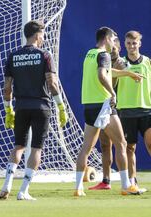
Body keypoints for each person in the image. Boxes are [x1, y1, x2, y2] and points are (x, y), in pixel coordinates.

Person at [0, 20, 68, 201]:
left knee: (18, 146)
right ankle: (23, 191)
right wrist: (61, 106)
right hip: (41, 106)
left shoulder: (13, 56)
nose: (44, 38)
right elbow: (52, 83)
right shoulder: (44, 55)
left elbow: (7, 88)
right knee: (36, 148)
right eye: (43, 35)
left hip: (21, 107)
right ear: (37, 35)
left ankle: (6, 185)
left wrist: (8, 110)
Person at [75, 27, 144, 196]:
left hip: (89, 106)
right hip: (104, 105)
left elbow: (107, 71)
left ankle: (78, 187)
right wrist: (112, 92)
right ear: (106, 38)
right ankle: (126, 185)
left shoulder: (89, 54)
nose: (114, 43)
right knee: (121, 144)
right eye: (113, 39)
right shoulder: (104, 54)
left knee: (86, 148)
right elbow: (101, 75)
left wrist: (127, 73)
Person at [116, 30, 151, 191]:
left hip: (147, 110)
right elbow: (110, 81)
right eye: (129, 43)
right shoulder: (120, 64)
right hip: (127, 111)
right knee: (130, 147)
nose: (131, 46)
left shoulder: (147, 63)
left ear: (140, 44)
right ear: (125, 44)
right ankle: (132, 182)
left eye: (134, 43)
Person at [88, 37, 125, 190]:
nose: (112, 50)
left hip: (121, 107)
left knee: (124, 145)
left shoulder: (122, 63)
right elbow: (107, 79)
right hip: (106, 105)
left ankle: (129, 181)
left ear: (118, 49)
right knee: (105, 144)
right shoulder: (102, 59)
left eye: (115, 49)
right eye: (111, 48)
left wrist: (122, 71)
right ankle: (106, 180)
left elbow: (116, 81)